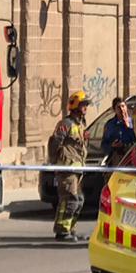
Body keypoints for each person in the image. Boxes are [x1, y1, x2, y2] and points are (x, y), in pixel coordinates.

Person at [48, 89, 90, 242]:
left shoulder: (80, 125)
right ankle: (61, 231)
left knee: (79, 199)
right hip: (67, 168)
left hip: (78, 169)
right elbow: (54, 143)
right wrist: (54, 163)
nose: (86, 107)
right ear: (76, 106)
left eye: (86, 105)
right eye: (83, 104)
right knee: (69, 199)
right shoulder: (66, 124)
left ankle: (70, 228)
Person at [101, 96, 136, 167]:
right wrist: (112, 145)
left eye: (123, 106)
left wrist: (128, 126)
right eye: (118, 107)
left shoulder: (134, 122)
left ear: (126, 107)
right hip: (116, 159)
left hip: (131, 158)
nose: (121, 109)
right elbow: (104, 145)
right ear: (114, 110)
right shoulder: (110, 125)